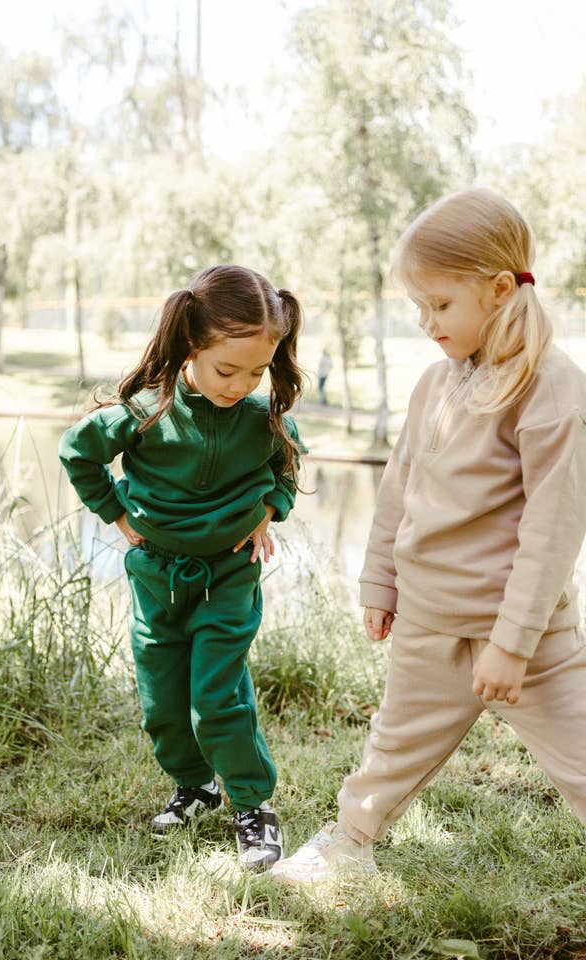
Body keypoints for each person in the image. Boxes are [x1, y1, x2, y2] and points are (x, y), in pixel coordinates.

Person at [271, 188, 586, 882]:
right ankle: (348, 845)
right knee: (392, 750)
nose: (425, 322)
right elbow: (398, 492)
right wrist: (380, 580)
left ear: (500, 289)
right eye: (419, 307)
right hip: (428, 619)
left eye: (440, 305)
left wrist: (511, 643)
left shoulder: (551, 388)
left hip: (525, 639)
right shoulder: (434, 387)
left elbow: (552, 529)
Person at [59, 264, 306, 870]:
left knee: (216, 696)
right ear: (191, 345)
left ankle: (254, 804)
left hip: (230, 574)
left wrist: (271, 508)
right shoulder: (144, 409)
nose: (240, 384)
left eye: (256, 371)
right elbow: (78, 452)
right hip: (156, 575)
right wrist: (115, 512)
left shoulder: (262, 417)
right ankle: (196, 786)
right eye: (227, 369)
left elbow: (289, 465)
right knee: (163, 702)